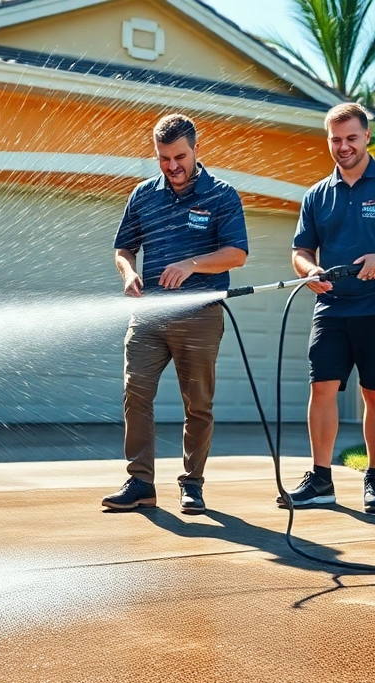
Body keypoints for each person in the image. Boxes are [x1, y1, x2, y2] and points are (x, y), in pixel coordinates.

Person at [280, 103, 375, 513]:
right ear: (328, 140)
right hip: (331, 306)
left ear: (367, 136)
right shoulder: (317, 195)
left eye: (351, 138)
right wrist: (309, 269)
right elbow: (300, 249)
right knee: (321, 387)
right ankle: (321, 481)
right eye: (336, 139)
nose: (343, 146)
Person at [101, 114, 248, 514]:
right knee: (136, 393)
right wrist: (129, 271)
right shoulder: (143, 195)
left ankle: (192, 484)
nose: (172, 166)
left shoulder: (221, 195)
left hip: (200, 315)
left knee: (197, 404)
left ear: (197, 150)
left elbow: (236, 254)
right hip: (149, 314)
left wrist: (191, 264)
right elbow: (124, 248)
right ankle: (140, 482)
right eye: (163, 158)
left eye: (179, 156)